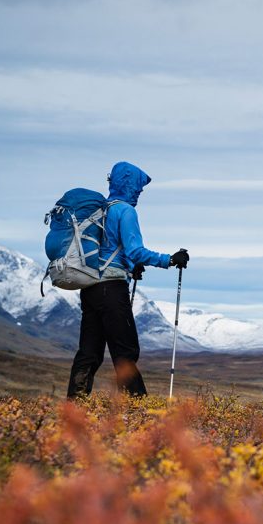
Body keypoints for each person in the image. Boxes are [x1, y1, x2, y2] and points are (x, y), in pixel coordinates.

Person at [66, 161, 189, 398]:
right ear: (129, 184)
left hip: (90, 287)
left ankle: (74, 406)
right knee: (125, 350)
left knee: (89, 352)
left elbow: (107, 248)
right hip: (111, 290)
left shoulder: (100, 209)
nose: (139, 193)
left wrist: (131, 267)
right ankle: (137, 406)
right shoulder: (125, 211)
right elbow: (135, 250)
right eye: (138, 188)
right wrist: (170, 259)